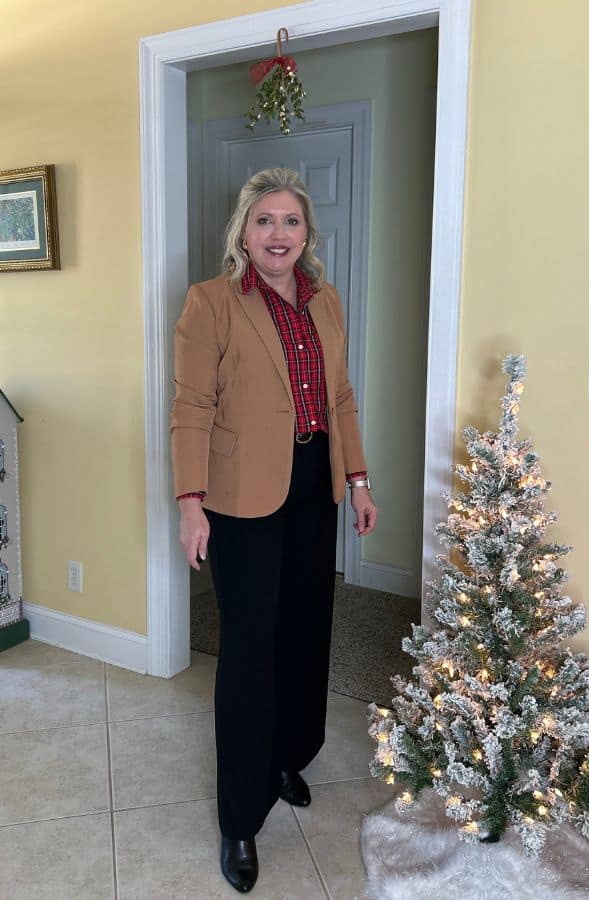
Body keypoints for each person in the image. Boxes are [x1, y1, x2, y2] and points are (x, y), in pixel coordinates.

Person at [170, 167, 377, 893]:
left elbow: (340, 395)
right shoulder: (211, 302)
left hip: (314, 484)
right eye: (265, 221)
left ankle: (289, 756)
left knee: (305, 632)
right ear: (244, 232)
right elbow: (191, 406)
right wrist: (190, 502)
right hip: (239, 497)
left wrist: (358, 480)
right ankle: (239, 817)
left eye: (291, 221)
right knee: (249, 651)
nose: (278, 234)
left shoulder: (327, 300)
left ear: (307, 233)